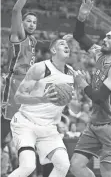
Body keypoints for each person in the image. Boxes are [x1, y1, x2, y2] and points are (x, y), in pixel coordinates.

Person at [70, 0, 111, 177]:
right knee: (76, 165)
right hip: (96, 122)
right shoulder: (100, 54)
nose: (104, 39)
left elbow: (99, 97)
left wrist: (83, 84)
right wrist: (82, 16)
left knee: (108, 172)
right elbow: (79, 36)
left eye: (109, 37)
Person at [9, 38, 75, 177]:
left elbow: (72, 105)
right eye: (62, 44)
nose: (66, 46)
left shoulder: (72, 74)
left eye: (67, 44)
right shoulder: (40, 68)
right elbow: (18, 96)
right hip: (26, 123)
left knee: (63, 164)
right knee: (27, 166)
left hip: (48, 127)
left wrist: (71, 98)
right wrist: (42, 99)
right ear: (53, 50)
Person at [1, 0, 45, 145]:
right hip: (13, 87)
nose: (31, 24)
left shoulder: (34, 41)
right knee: (5, 130)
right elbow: (16, 10)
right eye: (28, 21)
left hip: (27, 89)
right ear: (22, 23)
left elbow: (50, 44)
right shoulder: (19, 35)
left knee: (21, 139)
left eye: (34, 22)